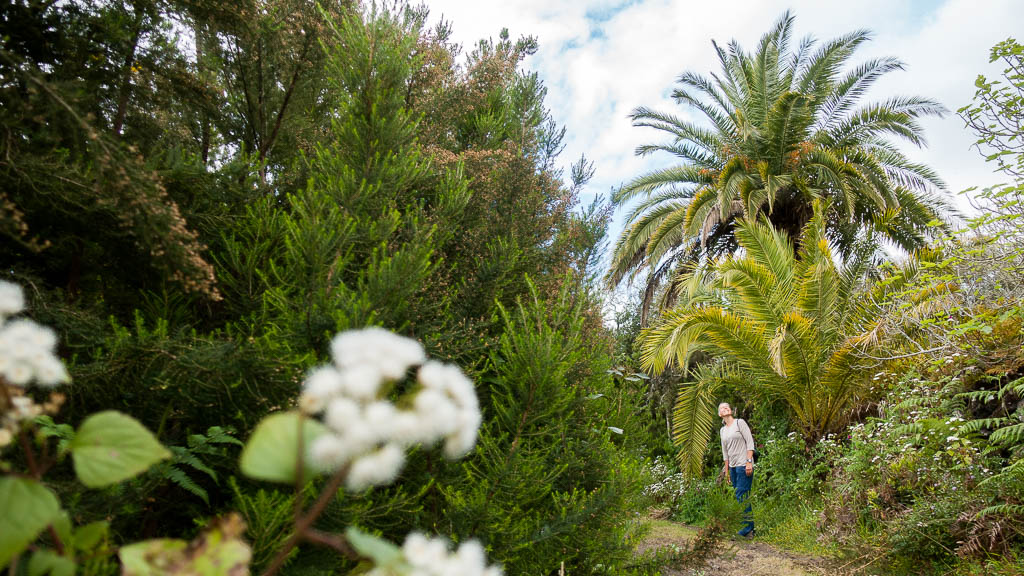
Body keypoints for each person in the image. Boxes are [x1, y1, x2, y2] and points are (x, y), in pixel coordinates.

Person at [718, 402, 755, 537]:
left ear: (730, 410)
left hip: (743, 465)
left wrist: (749, 462)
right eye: (722, 408)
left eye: (727, 406)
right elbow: (725, 453)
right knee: (740, 496)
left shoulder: (740, 423)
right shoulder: (723, 430)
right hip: (732, 468)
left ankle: (747, 528)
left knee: (742, 495)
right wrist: (727, 473)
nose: (725, 408)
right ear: (719, 414)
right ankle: (749, 527)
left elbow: (750, 443)